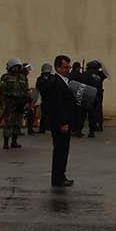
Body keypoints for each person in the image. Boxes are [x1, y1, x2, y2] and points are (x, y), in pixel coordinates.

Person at [40, 55, 77, 187]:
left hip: (65, 121)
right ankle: (58, 178)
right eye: (65, 67)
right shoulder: (56, 83)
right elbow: (57, 105)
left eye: (69, 67)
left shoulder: (65, 81)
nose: (68, 69)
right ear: (58, 68)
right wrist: (63, 122)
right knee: (60, 151)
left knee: (63, 150)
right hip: (60, 123)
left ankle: (61, 175)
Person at [0, 59, 29, 149]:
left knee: (18, 123)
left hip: (20, 103)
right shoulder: (6, 77)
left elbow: (25, 90)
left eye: (17, 67)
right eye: (14, 67)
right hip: (10, 103)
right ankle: (6, 143)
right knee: (8, 123)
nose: (16, 69)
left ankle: (14, 141)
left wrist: (26, 101)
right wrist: (2, 103)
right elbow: (2, 91)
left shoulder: (23, 78)